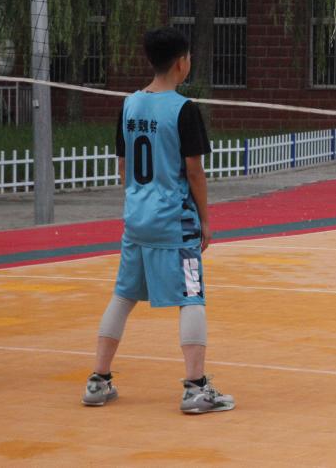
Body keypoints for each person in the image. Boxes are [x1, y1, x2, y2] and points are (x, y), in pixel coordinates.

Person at [82, 27, 234, 414]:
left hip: (137, 219)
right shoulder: (183, 109)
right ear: (182, 62)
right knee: (191, 295)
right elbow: (194, 172)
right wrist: (205, 220)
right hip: (174, 220)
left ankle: (98, 381)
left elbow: (123, 166)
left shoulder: (129, 105)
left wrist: (140, 200)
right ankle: (196, 388)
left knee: (123, 295)